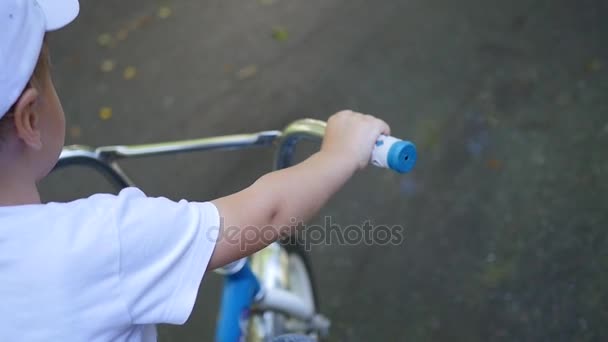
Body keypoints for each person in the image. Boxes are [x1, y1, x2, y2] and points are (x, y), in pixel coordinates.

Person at [0, 0, 390, 341]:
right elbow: (267, 212)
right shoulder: (100, 241)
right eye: (51, 77)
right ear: (30, 119)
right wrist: (339, 153)